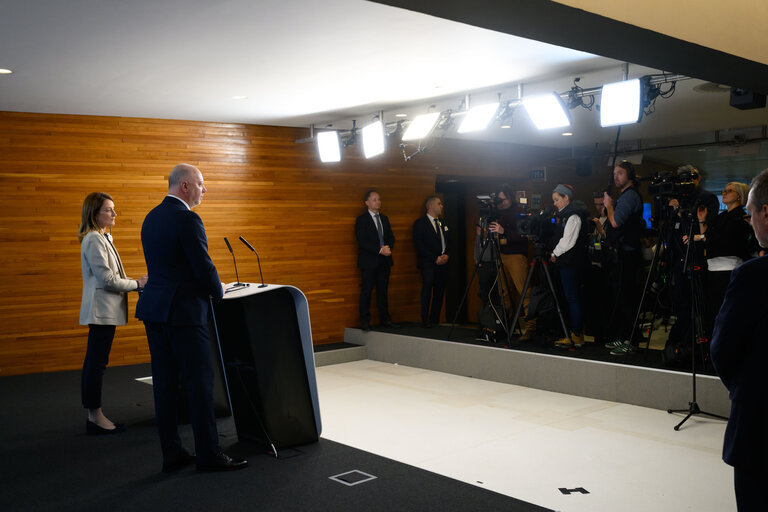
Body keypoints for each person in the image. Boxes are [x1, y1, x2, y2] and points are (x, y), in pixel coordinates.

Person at [136, 163, 247, 473]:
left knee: (165, 385)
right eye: (200, 184)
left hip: (155, 312)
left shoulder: (151, 218)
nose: (204, 189)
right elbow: (202, 266)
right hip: (184, 314)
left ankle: (172, 453)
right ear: (184, 186)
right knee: (199, 385)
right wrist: (219, 289)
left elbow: (167, 267)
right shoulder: (187, 218)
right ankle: (209, 454)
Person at [710, 169, 768, 512]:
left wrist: (745, 388)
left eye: (751, 213)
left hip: (760, 430)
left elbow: (723, 351)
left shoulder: (753, 278)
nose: (749, 222)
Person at [79, 192, 148, 435]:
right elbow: (108, 280)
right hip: (101, 311)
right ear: (94, 213)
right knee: (96, 364)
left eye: (113, 209)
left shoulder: (103, 237)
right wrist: (137, 284)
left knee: (96, 363)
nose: (114, 214)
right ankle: (95, 417)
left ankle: (94, 415)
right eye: (109, 210)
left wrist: (133, 282)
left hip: (104, 311)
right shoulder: (94, 240)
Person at [686, 182, 754, 339]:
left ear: (739, 196)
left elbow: (723, 240)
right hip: (712, 269)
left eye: (728, 191)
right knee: (712, 312)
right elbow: (708, 240)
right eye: (723, 190)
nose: (724, 193)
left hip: (728, 270)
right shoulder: (721, 217)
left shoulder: (741, 218)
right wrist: (702, 222)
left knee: (725, 311)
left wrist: (701, 237)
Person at [665, 165, 719, 354]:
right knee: (681, 303)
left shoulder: (706, 198)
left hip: (697, 257)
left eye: (690, 177)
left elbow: (708, 228)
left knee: (698, 304)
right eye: (681, 178)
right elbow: (670, 227)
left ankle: (695, 345)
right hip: (678, 258)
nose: (685, 181)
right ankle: (679, 344)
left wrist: (683, 213)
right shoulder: (677, 197)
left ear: (698, 178)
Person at [602, 161, 645, 355]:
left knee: (627, 296)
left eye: (620, 173)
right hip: (624, 251)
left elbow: (616, 222)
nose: (615, 177)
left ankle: (631, 340)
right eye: (614, 173)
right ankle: (623, 336)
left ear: (630, 175)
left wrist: (609, 206)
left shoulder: (629, 197)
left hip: (629, 252)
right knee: (621, 296)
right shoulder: (626, 196)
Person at [488, 185, 534, 337]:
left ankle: (531, 326)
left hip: (516, 255)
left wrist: (504, 232)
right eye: (499, 200)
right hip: (503, 255)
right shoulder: (499, 213)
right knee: (504, 293)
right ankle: (508, 324)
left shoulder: (519, 211)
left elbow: (525, 234)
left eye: (503, 199)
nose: (501, 202)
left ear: (510, 197)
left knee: (524, 291)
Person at [549, 184, 589, 348]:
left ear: (567, 197)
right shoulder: (567, 215)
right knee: (570, 298)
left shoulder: (573, 216)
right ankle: (572, 333)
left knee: (572, 298)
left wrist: (554, 253)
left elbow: (568, 241)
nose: (555, 203)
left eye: (557, 199)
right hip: (567, 263)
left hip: (571, 263)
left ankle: (576, 334)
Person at [355, 190, 399, 330]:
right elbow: (362, 241)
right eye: (374, 199)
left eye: (379, 199)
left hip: (384, 261)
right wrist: (380, 250)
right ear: (367, 203)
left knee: (383, 291)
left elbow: (391, 237)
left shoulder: (384, 219)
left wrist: (388, 247)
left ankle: (385, 319)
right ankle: (365, 321)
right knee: (367, 291)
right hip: (369, 262)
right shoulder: (361, 220)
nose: (378, 202)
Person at [413, 195, 450, 327]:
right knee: (427, 289)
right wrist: (435, 258)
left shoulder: (443, 223)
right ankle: (425, 318)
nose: (441, 206)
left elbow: (448, 242)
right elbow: (419, 245)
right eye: (439, 204)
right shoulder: (420, 223)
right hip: (428, 262)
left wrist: (447, 255)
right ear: (430, 206)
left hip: (443, 262)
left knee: (439, 292)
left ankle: (435, 319)